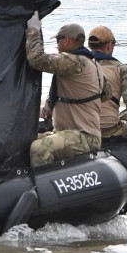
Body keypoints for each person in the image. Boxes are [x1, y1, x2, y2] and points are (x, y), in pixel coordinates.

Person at [25, 15, 110, 167]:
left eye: (58, 41)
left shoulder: (74, 61)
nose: (57, 46)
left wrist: (33, 31)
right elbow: (106, 94)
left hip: (83, 137)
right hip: (80, 134)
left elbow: (37, 59)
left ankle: (41, 187)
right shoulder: (94, 64)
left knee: (39, 148)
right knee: (29, 140)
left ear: (67, 41)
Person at [87, 25, 127, 138]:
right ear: (109, 45)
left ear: (89, 45)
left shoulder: (77, 66)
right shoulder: (120, 69)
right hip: (109, 131)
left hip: (82, 130)